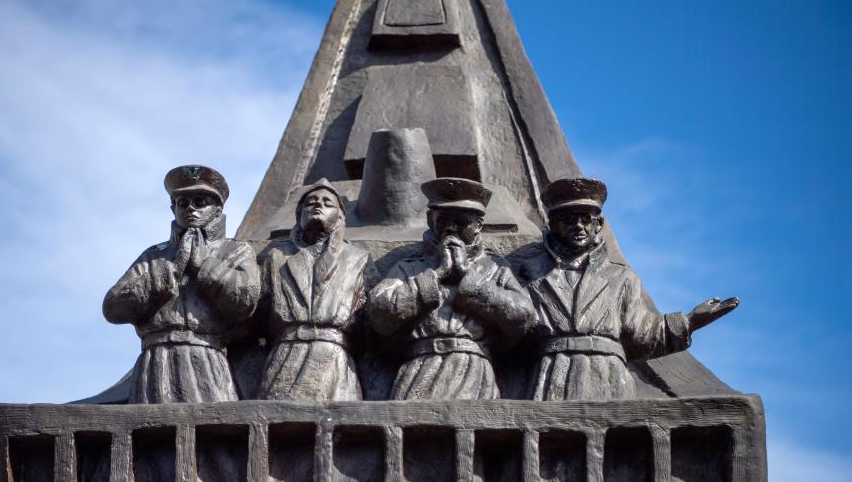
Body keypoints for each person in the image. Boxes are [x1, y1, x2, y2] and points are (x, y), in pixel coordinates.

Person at [522, 177, 739, 400]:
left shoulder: (620, 276)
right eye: (568, 219)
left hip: (606, 373)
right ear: (553, 225)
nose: (579, 226)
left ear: (599, 224)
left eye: (586, 219)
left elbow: (640, 332)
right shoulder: (530, 273)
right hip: (554, 373)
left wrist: (690, 321)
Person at [103, 165, 260, 403]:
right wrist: (169, 272)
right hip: (156, 359)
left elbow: (245, 301)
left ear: (217, 210)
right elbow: (113, 307)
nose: (190, 209)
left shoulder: (235, 251)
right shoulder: (154, 255)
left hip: (205, 355)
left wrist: (203, 266)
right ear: (172, 208)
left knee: (213, 430)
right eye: (182, 203)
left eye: (200, 202)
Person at [369, 177, 531, 400]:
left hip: (474, 370)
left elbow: (523, 316)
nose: (452, 228)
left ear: (478, 226)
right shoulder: (408, 267)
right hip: (419, 369)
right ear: (429, 219)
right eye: (443, 219)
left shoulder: (496, 268)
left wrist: (468, 277)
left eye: (462, 221)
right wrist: (436, 276)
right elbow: (379, 313)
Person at [258, 180, 374, 401]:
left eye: (326, 203)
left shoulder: (359, 258)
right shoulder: (276, 257)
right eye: (310, 202)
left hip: (335, 360)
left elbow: (371, 322)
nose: (317, 205)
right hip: (287, 356)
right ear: (299, 215)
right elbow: (256, 315)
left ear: (340, 217)